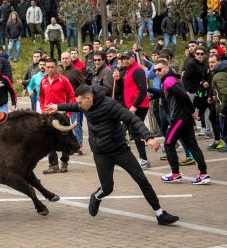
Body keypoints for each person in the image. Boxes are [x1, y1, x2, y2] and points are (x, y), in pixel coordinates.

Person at [45, 84, 179, 226]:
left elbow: (132, 119)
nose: (78, 106)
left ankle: (160, 214)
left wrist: (148, 137)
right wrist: (58, 107)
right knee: (108, 188)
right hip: (100, 153)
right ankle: (96, 196)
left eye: (80, 102)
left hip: (120, 150)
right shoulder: (84, 104)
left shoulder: (111, 105)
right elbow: (73, 106)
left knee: (142, 180)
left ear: (89, 98)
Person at [155, 58, 211, 184]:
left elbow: (184, 96)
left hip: (179, 118)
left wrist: (192, 113)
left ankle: (175, 173)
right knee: (192, 145)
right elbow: (168, 94)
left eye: (159, 69)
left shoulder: (168, 80)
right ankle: (204, 174)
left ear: (167, 68)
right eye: (155, 70)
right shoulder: (170, 80)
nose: (157, 72)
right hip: (184, 118)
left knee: (168, 144)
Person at [113, 51, 151, 169]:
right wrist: (119, 79)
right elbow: (126, 87)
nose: (125, 60)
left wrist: (135, 105)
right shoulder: (128, 70)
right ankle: (142, 158)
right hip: (130, 105)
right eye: (124, 59)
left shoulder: (137, 70)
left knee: (135, 131)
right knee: (133, 131)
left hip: (139, 106)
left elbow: (143, 89)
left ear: (133, 58)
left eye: (128, 58)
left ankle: (144, 159)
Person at [39, 58, 75, 173]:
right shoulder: (43, 81)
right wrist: (43, 109)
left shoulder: (63, 79)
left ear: (56, 67)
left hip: (62, 114)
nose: (49, 69)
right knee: (49, 140)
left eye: (52, 67)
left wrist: (68, 113)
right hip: (48, 116)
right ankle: (53, 165)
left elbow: (72, 96)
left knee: (64, 139)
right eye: (47, 67)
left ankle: (65, 161)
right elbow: (41, 97)